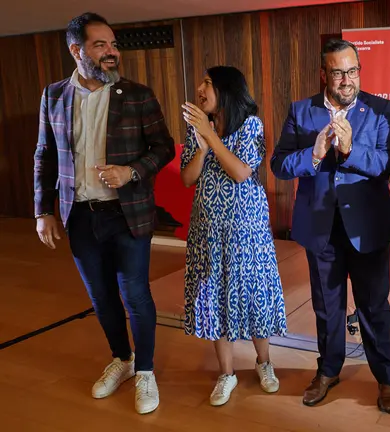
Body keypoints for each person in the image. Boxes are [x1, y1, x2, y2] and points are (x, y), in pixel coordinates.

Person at [33, 12, 175, 415]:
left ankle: (145, 370)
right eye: (100, 45)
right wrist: (42, 211)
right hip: (79, 215)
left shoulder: (138, 95)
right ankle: (122, 358)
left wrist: (131, 172)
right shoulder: (53, 96)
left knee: (135, 294)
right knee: (100, 296)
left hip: (127, 213)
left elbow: (163, 147)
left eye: (113, 44)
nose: (111, 52)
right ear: (76, 50)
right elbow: (45, 154)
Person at [270, 39, 390, 412]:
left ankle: (385, 377)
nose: (347, 80)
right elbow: (279, 164)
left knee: (373, 306)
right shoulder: (301, 111)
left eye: (353, 71)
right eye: (339, 72)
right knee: (327, 307)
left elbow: (388, 163)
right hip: (321, 228)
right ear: (323, 74)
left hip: (367, 227)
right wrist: (313, 154)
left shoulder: (380, 110)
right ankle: (328, 371)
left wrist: (350, 151)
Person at [180, 66, 287, 406]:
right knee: (216, 299)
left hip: (247, 231)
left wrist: (210, 137)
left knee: (253, 295)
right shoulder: (198, 129)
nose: (200, 89)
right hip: (208, 232)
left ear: (226, 90)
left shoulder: (251, 126)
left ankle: (264, 362)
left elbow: (241, 172)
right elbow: (187, 178)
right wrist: (201, 146)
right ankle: (226, 373)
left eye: (208, 83)